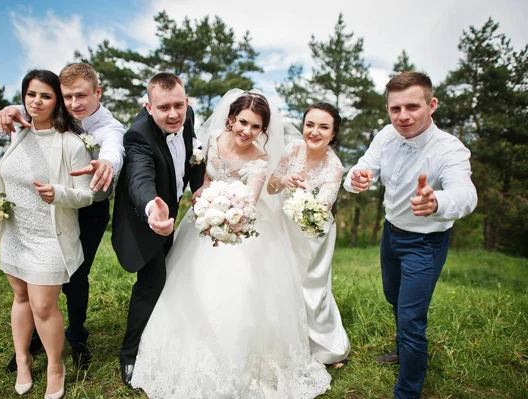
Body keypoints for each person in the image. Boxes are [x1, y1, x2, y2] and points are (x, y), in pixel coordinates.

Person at [130, 89, 332, 398]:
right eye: (243, 123)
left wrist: (228, 212)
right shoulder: (212, 141)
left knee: (242, 289)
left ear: (263, 130)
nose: (247, 132)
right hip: (205, 220)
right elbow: (207, 179)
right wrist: (204, 196)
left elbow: (251, 196)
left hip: (242, 224)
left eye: (255, 127)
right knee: (189, 285)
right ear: (230, 119)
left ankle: (242, 362)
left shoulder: (261, 159)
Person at [343, 71, 478, 399]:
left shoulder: (450, 149)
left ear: (432, 105)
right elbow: (362, 167)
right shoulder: (385, 136)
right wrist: (356, 178)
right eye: (395, 108)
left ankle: (407, 392)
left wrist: (436, 201)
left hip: (425, 243)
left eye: (412, 107)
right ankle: (403, 352)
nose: (403, 116)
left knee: (412, 318)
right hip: (391, 234)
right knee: (394, 297)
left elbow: (467, 194)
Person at [0, 62, 125, 370]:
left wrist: (106, 164)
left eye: (82, 96)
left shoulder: (109, 127)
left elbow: (114, 149)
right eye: (67, 97)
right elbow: (35, 104)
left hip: (90, 208)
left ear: (98, 92)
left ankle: (77, 334)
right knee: (38, 271)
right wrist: (11, 108)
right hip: (51, 203)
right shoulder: (58, 108)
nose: (74, 104)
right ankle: (38, 334)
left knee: (75, 275)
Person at [0, 69, 94, 398]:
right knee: (20, 298)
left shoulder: (72, 144)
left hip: (50, 238)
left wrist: (58, 194)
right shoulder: (18, 133)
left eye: (46, 96)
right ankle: (22, 360)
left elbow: (87, 194)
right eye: (31, 94)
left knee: (44, 307)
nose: (37, 101)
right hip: (16, 234)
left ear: (58, 102)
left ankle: (54, 365)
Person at [111, 72, 206, 387]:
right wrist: (153, 209)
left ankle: (163, 337)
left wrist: (197, 188)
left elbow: (193, 157)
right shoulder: (137, 136)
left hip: (174, 211)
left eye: (179, 105)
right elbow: (139, 178)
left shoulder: (186, 117)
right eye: (164, 107)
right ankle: (130, 355)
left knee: (170, 276)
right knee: (151, 283)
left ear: (186, 102)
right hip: (148, 218)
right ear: (148, 107)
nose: (174, 114)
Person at [268, 102, 350, 368]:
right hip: (283, 226)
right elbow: (270, 187)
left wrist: (304, 199)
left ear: (333, 133)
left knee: (311, 288)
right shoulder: (292, 149)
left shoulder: (334, 167)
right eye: (310, 124)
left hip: (314, 232)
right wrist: (284, 181)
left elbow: (323, 206)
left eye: (323, 127)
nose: (315, 132)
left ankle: (326, 346)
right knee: (279, 281)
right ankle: (281, 341)